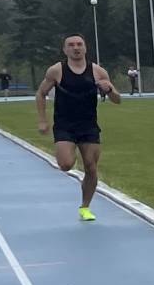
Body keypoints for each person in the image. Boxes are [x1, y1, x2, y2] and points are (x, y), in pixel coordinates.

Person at [34, 35, 120, 221]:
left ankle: (85, 207)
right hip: (64, 125)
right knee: (66, 164)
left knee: (91, 167)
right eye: (71, 45)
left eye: (79, 44)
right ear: (65, 50)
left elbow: (117, 99)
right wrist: (42, 120)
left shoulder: (98, 71)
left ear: (85, 48)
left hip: (88, 125)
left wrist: (109, 89)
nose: (76, 48)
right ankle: (66, 152)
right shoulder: (57, 70)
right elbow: (40, 93)